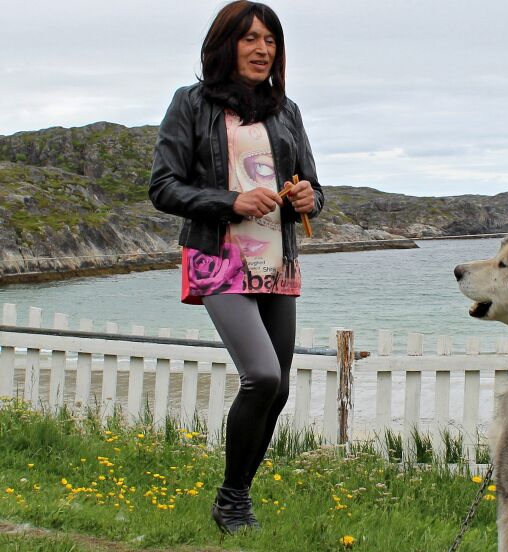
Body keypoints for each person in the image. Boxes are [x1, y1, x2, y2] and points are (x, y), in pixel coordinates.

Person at [148, 0, 323, 534]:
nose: (262, 49)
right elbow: (163, 186)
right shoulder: (191, 103)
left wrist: (308, 198)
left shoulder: (286, 110)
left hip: (278, 260)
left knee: (280, 388)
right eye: (250, 38)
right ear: (226, 44)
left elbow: (317, 188)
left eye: (270, 40)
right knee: (262, 375)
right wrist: (232, 201)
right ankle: (232, 501)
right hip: (217, 258)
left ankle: (235, 499)